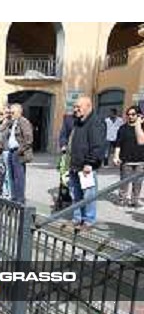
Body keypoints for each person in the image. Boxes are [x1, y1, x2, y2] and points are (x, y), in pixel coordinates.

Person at [67, 97, 106, 229]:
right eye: (75, 107)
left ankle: (89, 220)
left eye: (78, 107)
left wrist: (89, 163)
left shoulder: (95, 122)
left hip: (87, 167)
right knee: (75, 194)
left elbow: (98, 146)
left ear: (88, 106)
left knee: (89, 194)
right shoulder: (78, 121)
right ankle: (77, 218)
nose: (75, 109)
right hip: (75, 165)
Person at [0, 104, 33, 204]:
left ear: (19, 112)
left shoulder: (24, 122)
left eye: (12, 112)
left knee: (19, 178)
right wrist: (6, 119)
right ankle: (14, 198)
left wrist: (19, 151)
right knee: (11, 177)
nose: (10, 114)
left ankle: (20, 200)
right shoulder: (12, 122)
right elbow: (1, 129)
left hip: (18, 152)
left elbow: (29, 139)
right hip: (11, 151)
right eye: (10, 112)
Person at [113, 106, 144, 209]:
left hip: (140, 161)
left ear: (139, 115)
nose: (130, 116)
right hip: (126, 160)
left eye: (133, 114)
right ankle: (122, 199)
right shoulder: (123, 128)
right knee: (124, 182)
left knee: (138, 183)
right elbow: (118, 144)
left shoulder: (142, 127)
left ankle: (134, 201)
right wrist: (116, 156)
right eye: (128, 114)